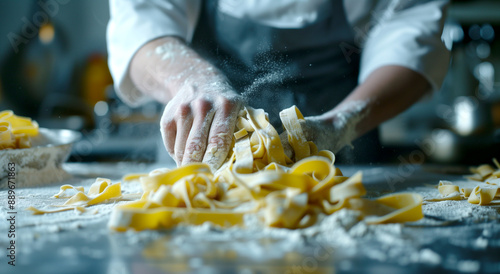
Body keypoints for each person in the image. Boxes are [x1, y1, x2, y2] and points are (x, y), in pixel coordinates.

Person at [107, 0, 450, 170]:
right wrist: (193, 80)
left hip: (341, 163)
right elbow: (139, 25)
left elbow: (411, 34)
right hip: (200, 169)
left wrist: (338, 125)